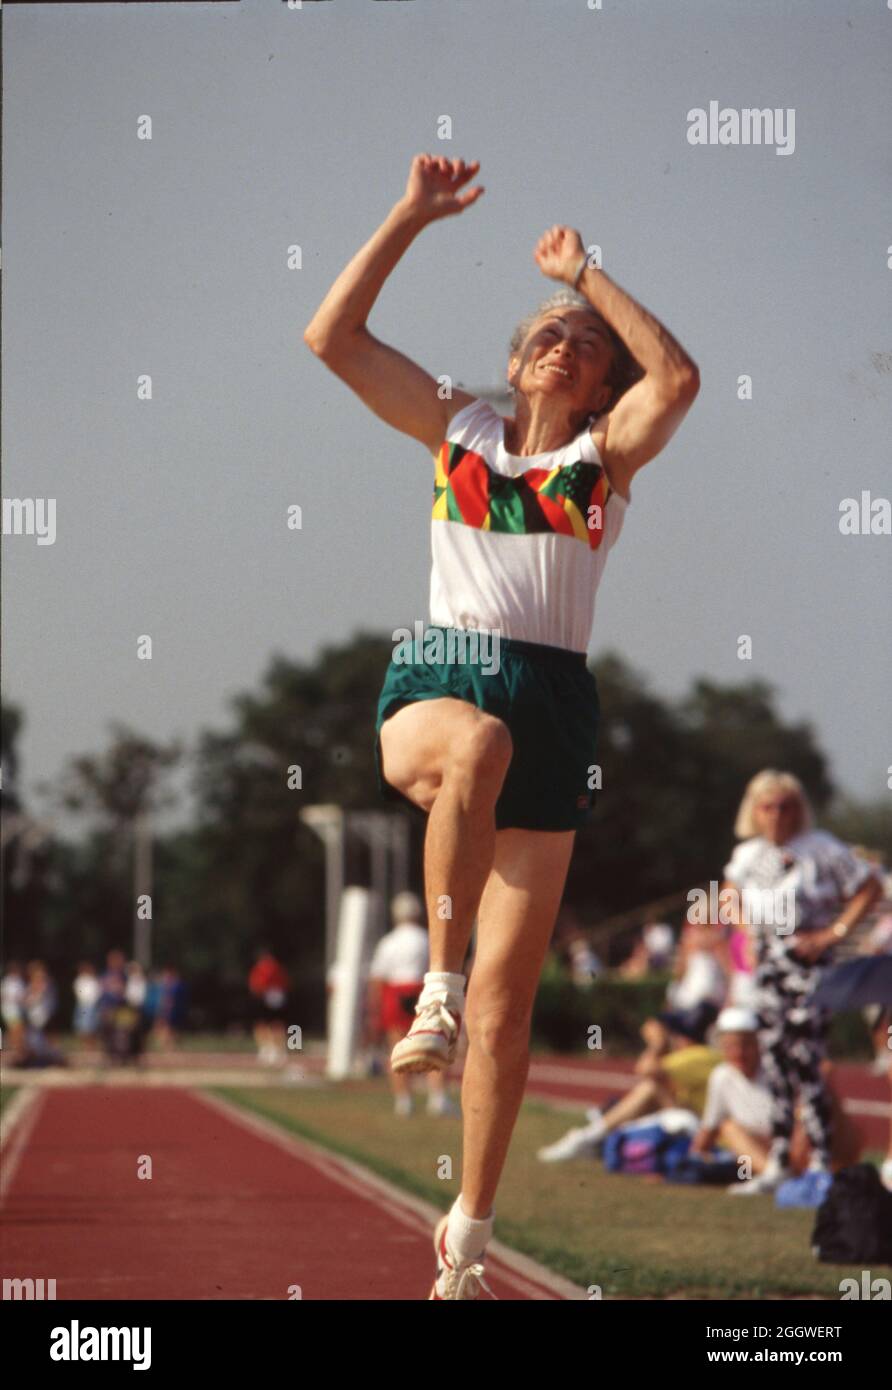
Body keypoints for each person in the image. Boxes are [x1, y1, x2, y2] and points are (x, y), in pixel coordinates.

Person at [304, 153, 699, 1298]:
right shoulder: (455, 428)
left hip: (556, 697)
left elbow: (674, 378)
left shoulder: (600, 460)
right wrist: (411, 215)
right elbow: (331, 338)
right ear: (513, 356)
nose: (559, 341)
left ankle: (468, 1237)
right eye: (544, 327)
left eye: (581, 340)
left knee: (509, 1012)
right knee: (474, 746)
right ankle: (431, 984)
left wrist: (589, 273)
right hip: (445, 675)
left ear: (594, 379)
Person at [720, 770, 883, 1196]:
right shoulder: (748, 854)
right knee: (774, 1059)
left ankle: (822, 1163)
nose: (777, 815)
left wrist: (836, 932)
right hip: (768, 965)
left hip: (809, 964)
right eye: (768, 806)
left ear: (800, 809)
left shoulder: (821, 849)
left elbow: (870, 887)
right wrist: (746, 934)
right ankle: (778, 1160)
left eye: (786, 806)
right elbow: (729, 892)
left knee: (806, 1058)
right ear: (754, 811)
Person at [537, 1002, 720, 1162]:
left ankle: (589, 1138)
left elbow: (644, 1068)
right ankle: (596, 1138)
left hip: (702, 1132)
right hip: (696, 1124)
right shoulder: (706, 1056)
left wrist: (657, 1043)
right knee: (656, 1092)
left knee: (652, 1087)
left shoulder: (698, 1055)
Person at [367, 891, 456, 1117]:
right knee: (431, 1044)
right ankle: (437, 1097)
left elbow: (378, 978)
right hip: (421, 991)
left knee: (396, 1047)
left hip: (395, 993)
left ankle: (403, 1100)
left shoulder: (388, 942)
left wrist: (374, 1009)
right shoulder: (426, 938)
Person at [248, 947, 290, 1065]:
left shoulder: (265, 968)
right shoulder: (276, 967)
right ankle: (273, 1049)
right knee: (273, 1023)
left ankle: (271, 1049)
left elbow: (256, 984)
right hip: (273, 996)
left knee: (267, 1023)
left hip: (267, 995)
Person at [72, 962, 102, 1056]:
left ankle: (91, 1048)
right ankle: (85, 1048)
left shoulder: (94, 980)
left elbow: (97, 993)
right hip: (82, 1005)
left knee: (91, 1028)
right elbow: (78, 992)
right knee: (82, 1028)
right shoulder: (79, 980)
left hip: (91, 1006)